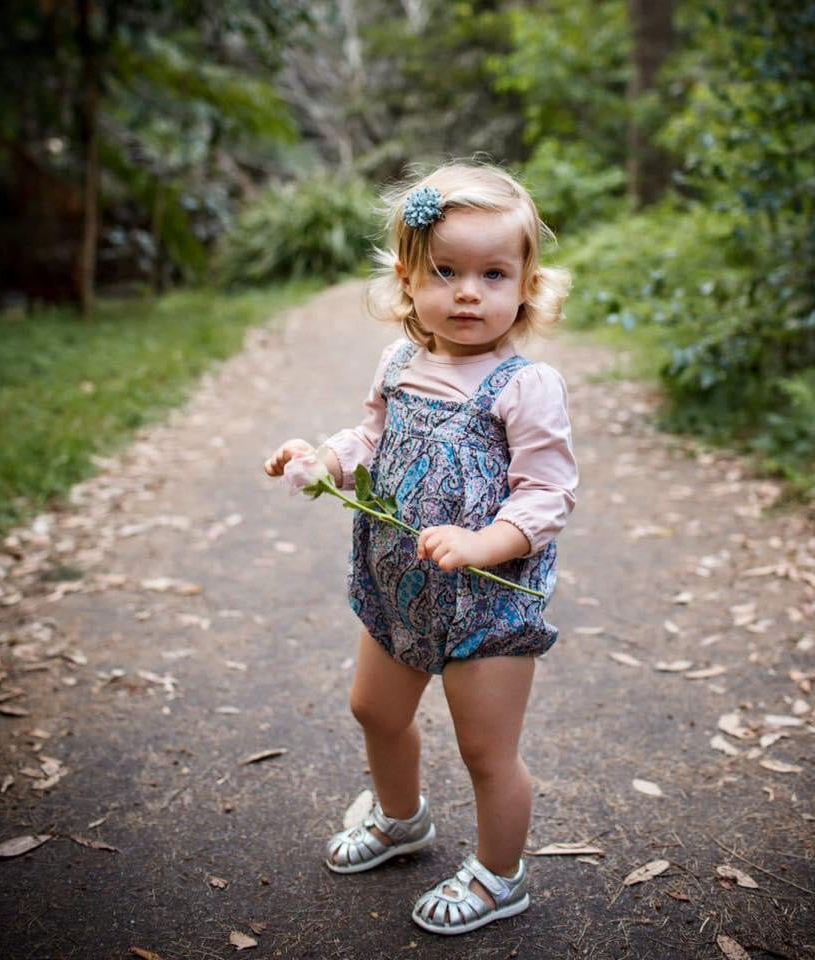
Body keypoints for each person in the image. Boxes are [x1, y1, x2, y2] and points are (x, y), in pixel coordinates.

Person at [263, 162, 577, 935]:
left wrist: (482, 543)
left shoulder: (523, 385)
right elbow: (370, 437)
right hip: (401, 583)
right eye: (446, 272)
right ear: (408, 281)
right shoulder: (400, 365)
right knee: (372, 707)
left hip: (488, 599)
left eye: (492, 273)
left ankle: (501, 875)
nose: (468, 292)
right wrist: (327, 462)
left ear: (525, 286)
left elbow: (547, 495)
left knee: (485, 750)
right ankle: (402, 818)